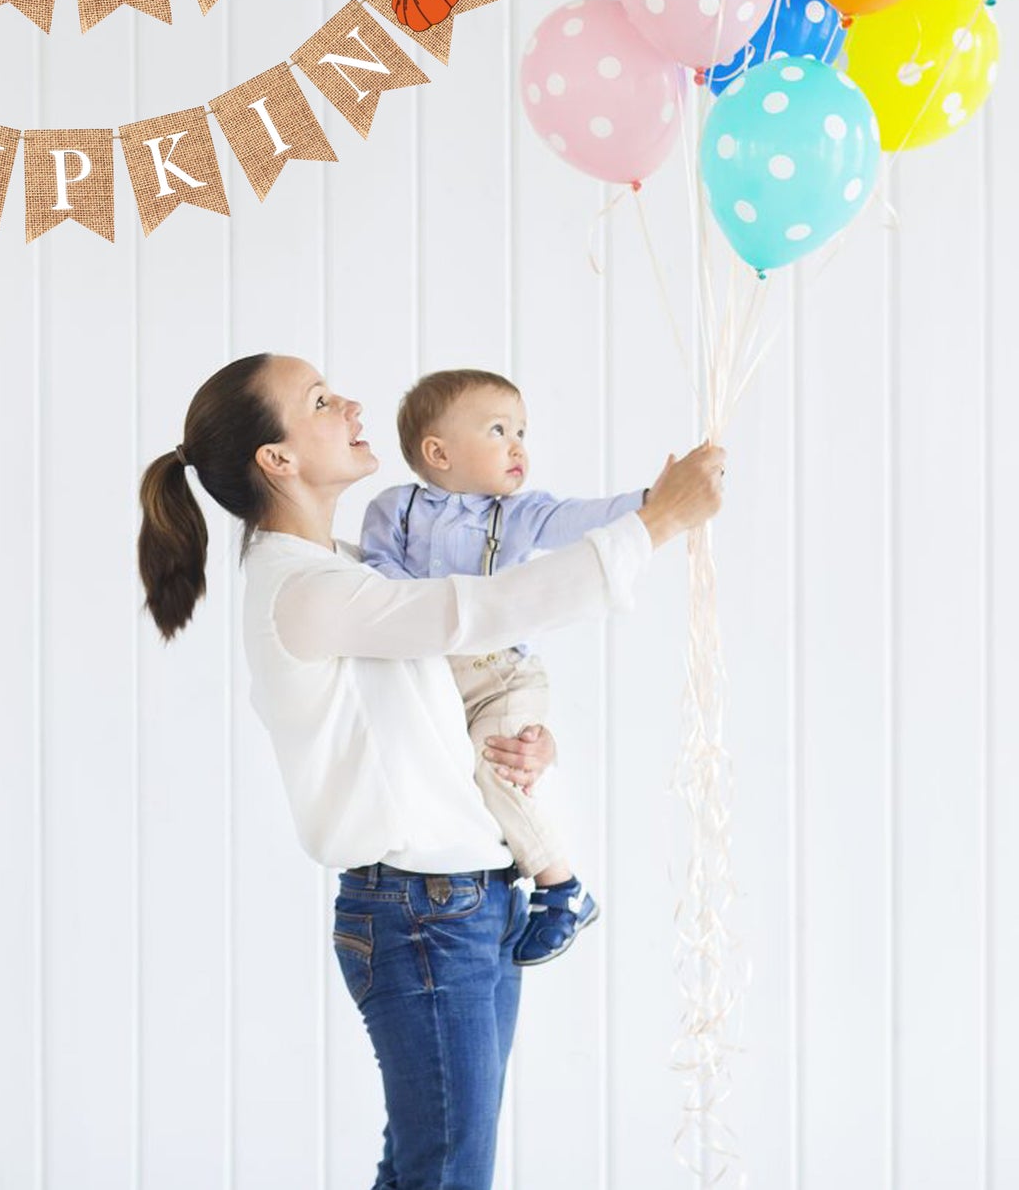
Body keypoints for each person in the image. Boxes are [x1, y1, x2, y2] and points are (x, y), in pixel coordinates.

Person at [137, 353, 725, 1190]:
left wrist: (515, 734)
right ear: (278, 458)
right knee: (445, 1176)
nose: (349, 403)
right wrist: (654, 524)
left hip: (468, 899)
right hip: (420, 914)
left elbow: (430, 687)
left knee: (429, 1170)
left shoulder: (347, 569)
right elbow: (470, 610)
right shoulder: (299, 587)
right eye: (318, 400)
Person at [360, 367, 669, 967]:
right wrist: (432, 615)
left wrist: (652, 504)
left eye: (522, 431)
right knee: (455, 772)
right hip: (435, 677)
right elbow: (379, 579)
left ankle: (560, 888)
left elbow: (583, 518)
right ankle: (492, 882)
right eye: (499, 429)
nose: (518, 445)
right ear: (438, 451)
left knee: (496, 763)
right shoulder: (393, 511)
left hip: (502, 674)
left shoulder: (519, 515)